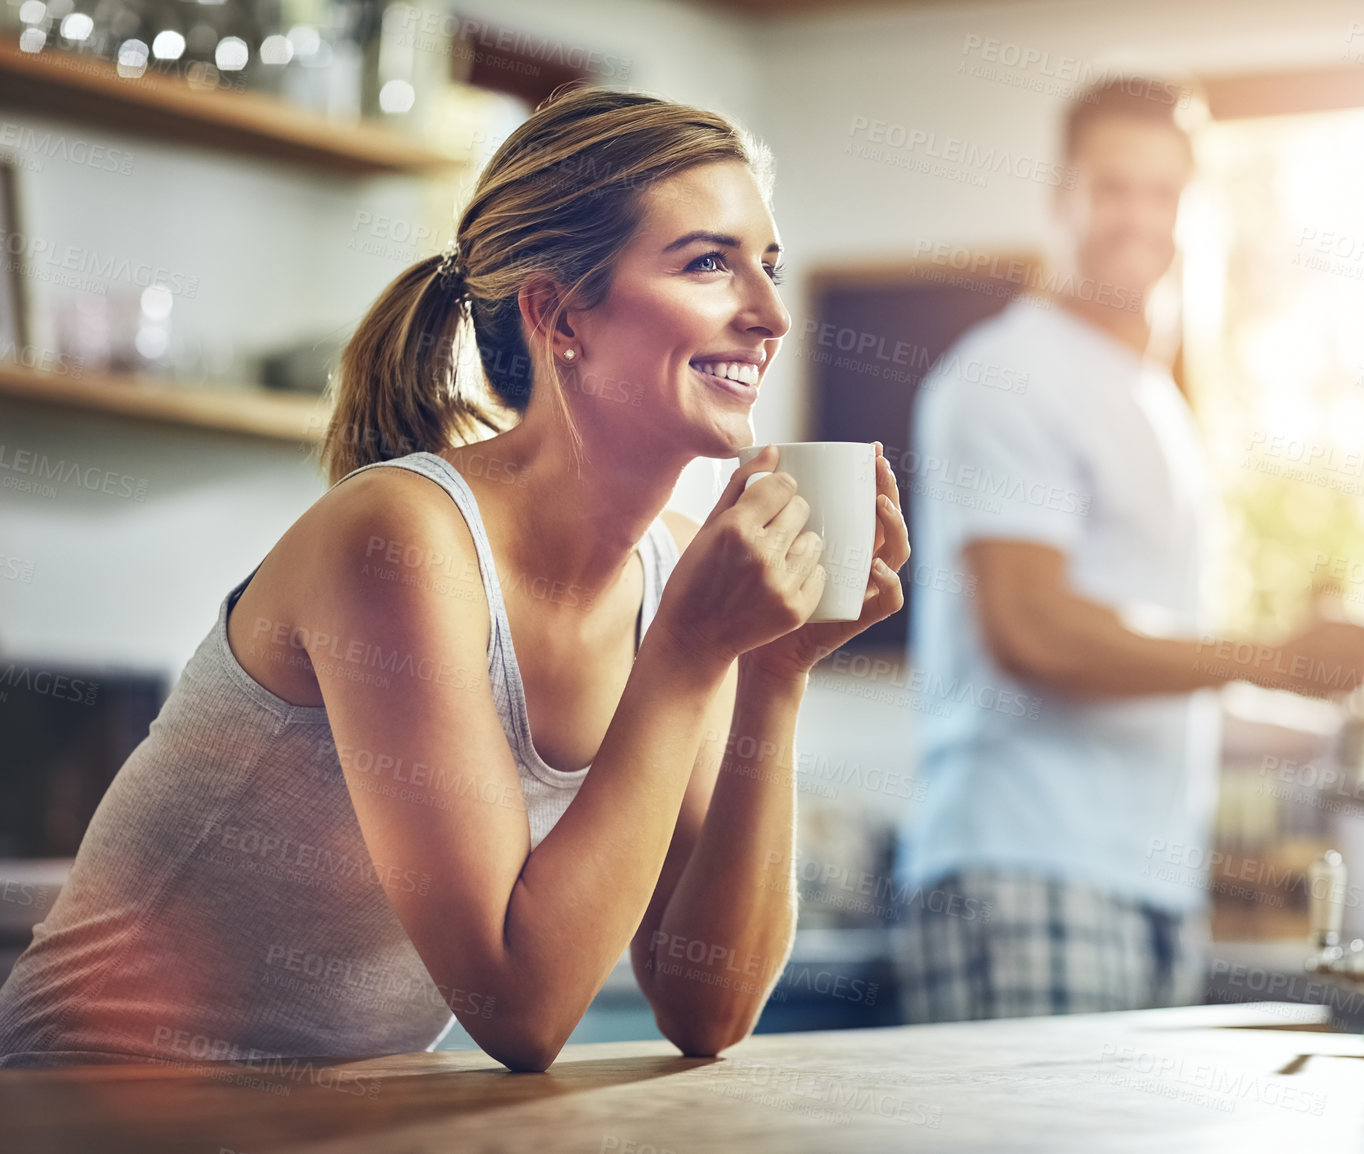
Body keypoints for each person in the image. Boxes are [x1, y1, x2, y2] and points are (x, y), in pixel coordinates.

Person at [0, 88, 910, 1072]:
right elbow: (518, 1007)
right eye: (707, 263)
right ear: (559, 314)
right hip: (89, 1105)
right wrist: (691, 653)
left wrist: (771, 673)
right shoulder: (399, 540)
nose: (772, 315)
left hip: (342, 1118)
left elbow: (706, 1002)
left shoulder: (675, 573)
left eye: (768, 269)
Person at [893, 78, 1364, 1022]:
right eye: (1113, 188)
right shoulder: (1007, 377)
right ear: (1060, 195)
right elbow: (1033, 632)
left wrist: (1331, 715)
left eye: (1164, 193)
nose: (1139, 217)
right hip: (1024, 866)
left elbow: (1164, 675)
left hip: (1148, 886)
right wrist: (1276, 654)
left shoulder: (1156, 401)